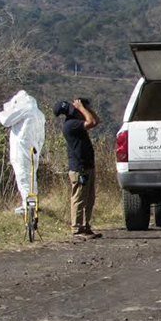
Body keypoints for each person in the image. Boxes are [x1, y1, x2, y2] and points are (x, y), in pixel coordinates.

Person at [53, 99, 101, 239]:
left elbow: (96, 121)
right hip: (79, 167)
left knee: (89, 198)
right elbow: (91, 122)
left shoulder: (75, 122)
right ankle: (77, 228)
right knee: (79, 197)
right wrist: (81, 108)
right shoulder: (71, 124)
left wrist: (86, 108)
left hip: (87, 165)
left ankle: (85, 226)